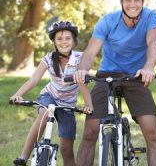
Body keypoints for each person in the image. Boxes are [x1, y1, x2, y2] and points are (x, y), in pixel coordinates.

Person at [73, 0, 156, 166]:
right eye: (128, 0)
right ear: (121, 2)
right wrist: (82, 69)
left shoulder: (151, 16)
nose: (133, 4)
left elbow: (153, 43)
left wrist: (148, 68)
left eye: (137, 0)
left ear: (143, 1)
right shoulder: (107, 21)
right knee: (90, 132)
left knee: (153, 133)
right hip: (107, 75)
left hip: (136, 76)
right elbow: (91, 51)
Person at [10, 21, 93, 166]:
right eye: (59, 39)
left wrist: (88, 105)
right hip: (49, 96)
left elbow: (83, 84)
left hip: (68, 105)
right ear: (54, 41)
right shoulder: (48, 58)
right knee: (45, 112)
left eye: (68, 38)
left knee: (67, 150)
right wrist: (18, 94)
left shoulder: (81, 58)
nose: (63, 42)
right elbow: (34, 79)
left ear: (74, 41)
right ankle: (24, 156)